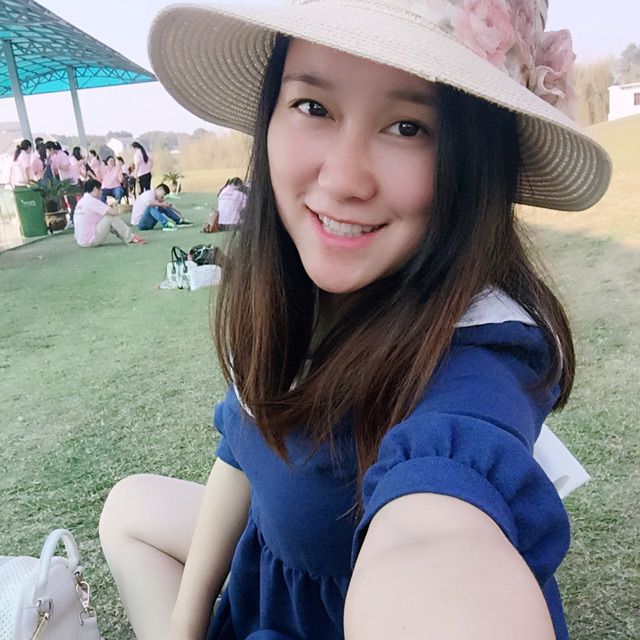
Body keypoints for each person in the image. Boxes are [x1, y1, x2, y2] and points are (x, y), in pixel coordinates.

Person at [100, 2, 612, 639]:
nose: (342, 179)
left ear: (475, 159)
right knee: (127, 508)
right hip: (275, 561)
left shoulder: (479, 354)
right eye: (313, 107)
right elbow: (243, 441)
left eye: (407, 127)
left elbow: (436, 540)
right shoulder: (299, 284)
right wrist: (185, 624)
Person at [74, 178, 146, 247]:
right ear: (95, 189)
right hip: (90, 241)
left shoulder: (82, 201)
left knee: (108, 218)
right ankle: (130, 238)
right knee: (110, 217)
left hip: (81, 241)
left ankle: (127, 237)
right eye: (100, 190)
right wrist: (115, 205)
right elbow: (114, 212)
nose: (101, 192)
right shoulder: (92, 201)